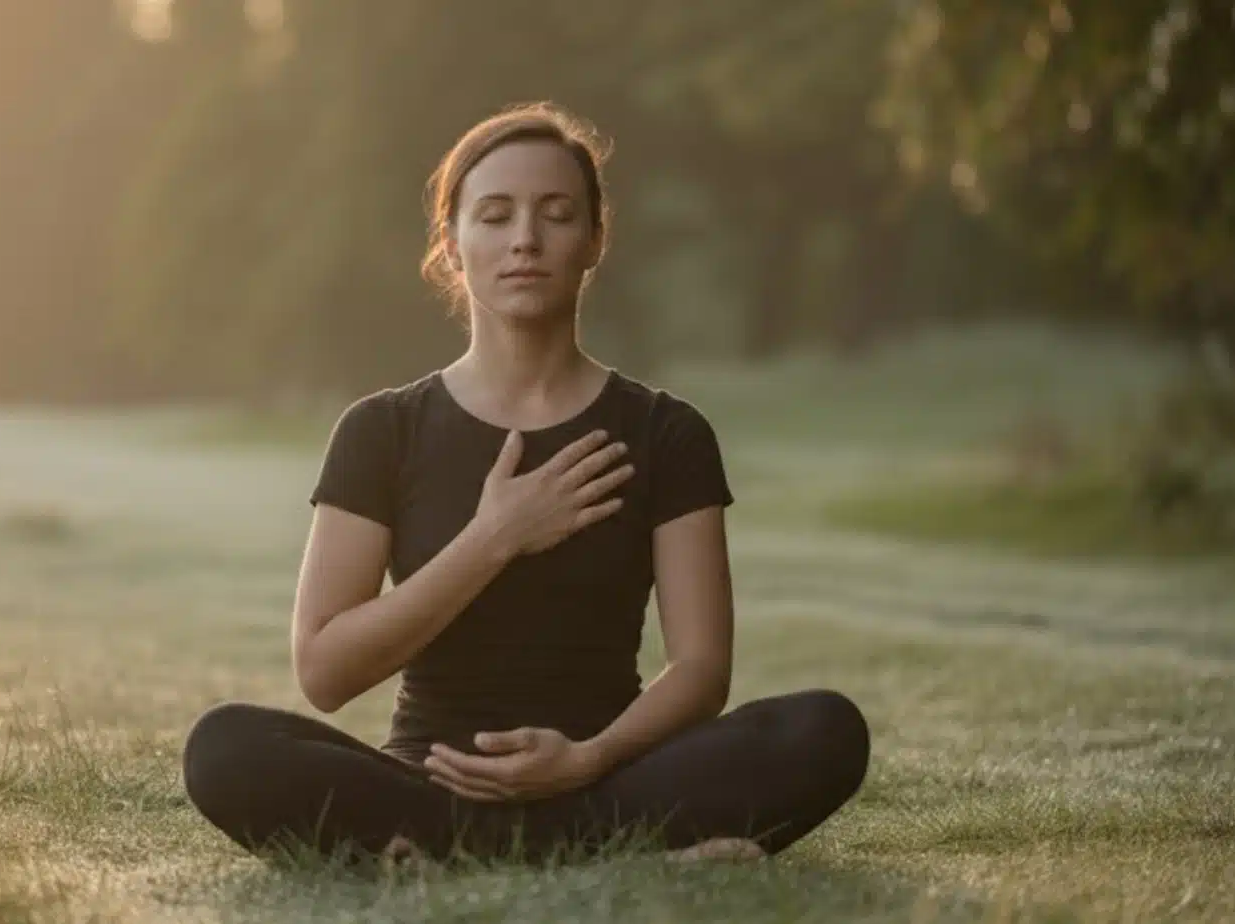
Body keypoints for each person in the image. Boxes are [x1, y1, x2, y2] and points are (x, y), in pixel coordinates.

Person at [182, 102, 869, 867]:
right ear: (451, 244)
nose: (525, 240)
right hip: (427, 781)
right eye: (495, 215)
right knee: (224, 747)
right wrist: (494, 537)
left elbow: (702, 669)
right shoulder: (382, 430)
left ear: (594, 240)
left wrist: (586, 760)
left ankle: (460, 856)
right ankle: (611, 856)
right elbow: (326, 671)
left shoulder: (667, 433)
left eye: (557, 213)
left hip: (609, 775)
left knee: (824, 729)